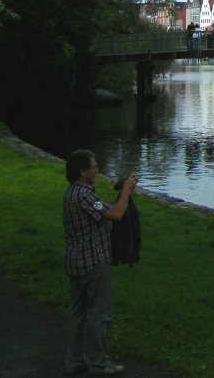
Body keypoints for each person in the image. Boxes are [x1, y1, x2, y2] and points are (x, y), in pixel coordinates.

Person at [63, 150, 137, 376]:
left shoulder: (72, 193)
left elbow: (101, 210)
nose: (96, 170)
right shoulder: (85, 196)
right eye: (93, 167)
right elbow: (115, 214)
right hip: (93, 262)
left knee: (77, 313)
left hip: (75, 260)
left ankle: (75, 361)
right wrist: (126, 190)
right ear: (82, 172)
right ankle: (99, 362)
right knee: (99, 314)